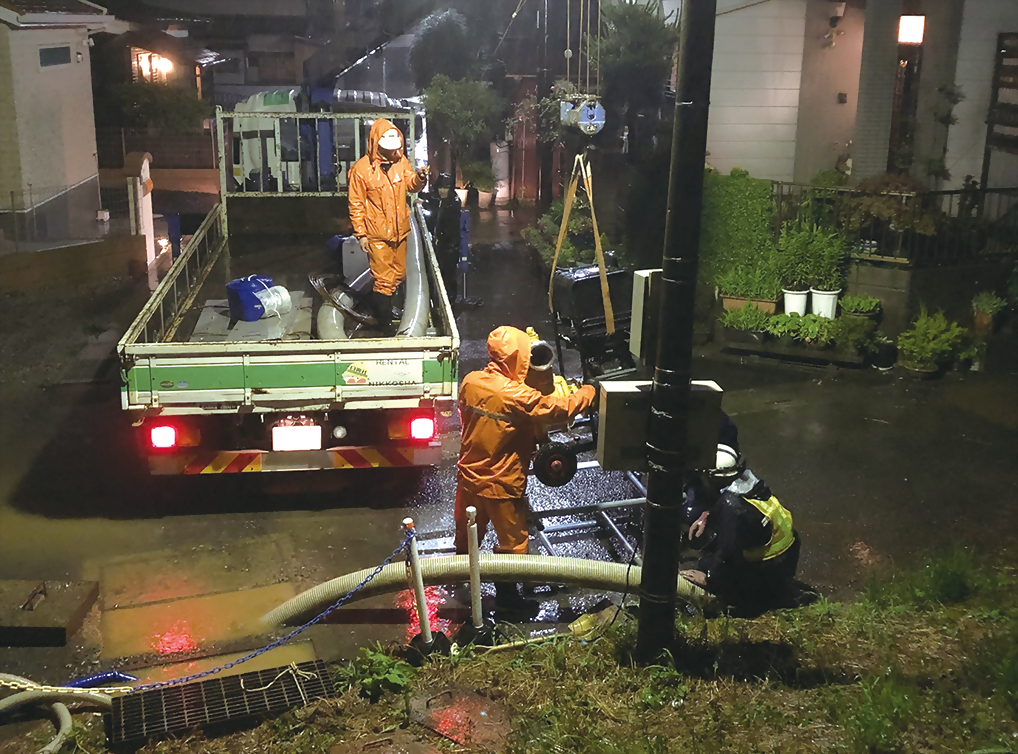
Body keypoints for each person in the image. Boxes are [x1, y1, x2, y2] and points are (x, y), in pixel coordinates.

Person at [454, 325, 596, 614]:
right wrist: (589, 392)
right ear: (517, 358)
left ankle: (456, 581)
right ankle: (508, 600)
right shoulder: (515, 396)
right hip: (500, 484)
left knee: (467, 536)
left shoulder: (470, 381)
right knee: (513, 545)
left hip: (469, 477)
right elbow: (557, 409)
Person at [679, 441, 801, 616]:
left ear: (713, 477)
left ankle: (739, 604)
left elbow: (727, 555)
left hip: (770, 572)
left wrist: (708, 578)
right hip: (786, 556)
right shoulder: (748, 484)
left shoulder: (732, 509)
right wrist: (709, 514)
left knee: (707, 562)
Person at [347, 119, 430, 335]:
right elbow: (356, 204)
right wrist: (361, 235)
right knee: (384, 281)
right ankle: (384, 326)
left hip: (399, 232)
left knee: (398, 275)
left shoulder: (401, 163)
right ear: (376, 140)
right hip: (377, 235)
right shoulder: (361, 171)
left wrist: (420, 179)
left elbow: (411, 184)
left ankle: (385, 311)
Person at [429, 173, 461, 305]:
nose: (443, 191)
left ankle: (450, 301)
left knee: (448, 274)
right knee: (437, 273)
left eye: (446, 188)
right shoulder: (437, 200)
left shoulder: (453, 203)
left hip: (449, 245)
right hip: (439, 243)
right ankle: (438, 299)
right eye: (441, 188)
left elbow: (449, 225)